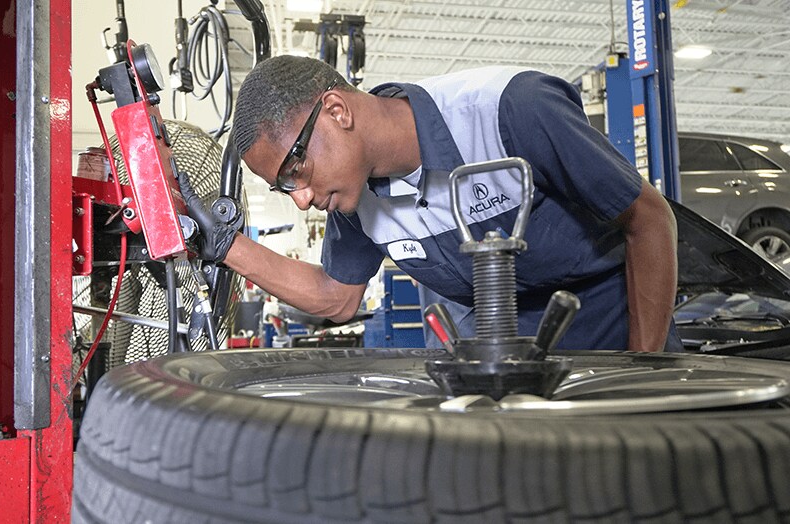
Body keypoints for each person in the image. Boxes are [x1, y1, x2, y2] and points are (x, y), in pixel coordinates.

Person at [181, 55, 682, 352]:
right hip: (499, 358)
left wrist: (645, 369)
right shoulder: (353, 199)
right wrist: (221, 243)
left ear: (337, 111)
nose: (303, 200)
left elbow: (649, 219)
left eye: (296, 170)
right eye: (284, 188)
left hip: (615, 329)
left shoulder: (510, 109)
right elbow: (337, 297)